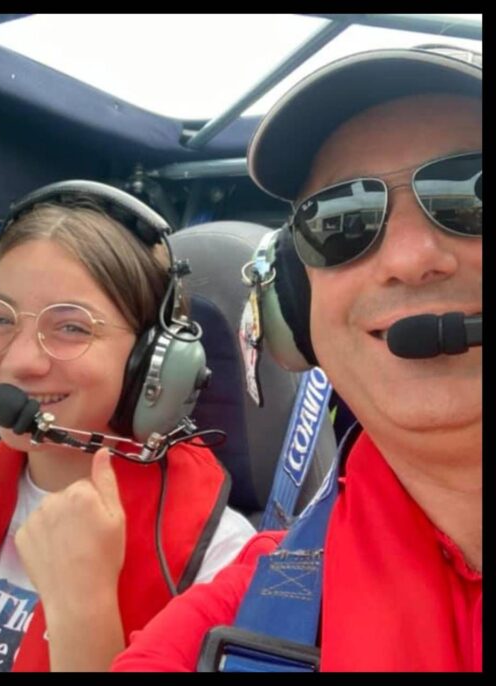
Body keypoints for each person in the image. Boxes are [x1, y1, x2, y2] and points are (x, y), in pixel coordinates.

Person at [111, 47, 481, 672]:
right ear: (296, 300)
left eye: (472, 192)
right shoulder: (237, 625)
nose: (410, 257)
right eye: (341, 219)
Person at [0, 187, 256, 672]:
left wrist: (82, 609)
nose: (20, 361)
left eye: (72, 328)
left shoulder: (221, 558)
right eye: (0, 319)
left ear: (154, 364)